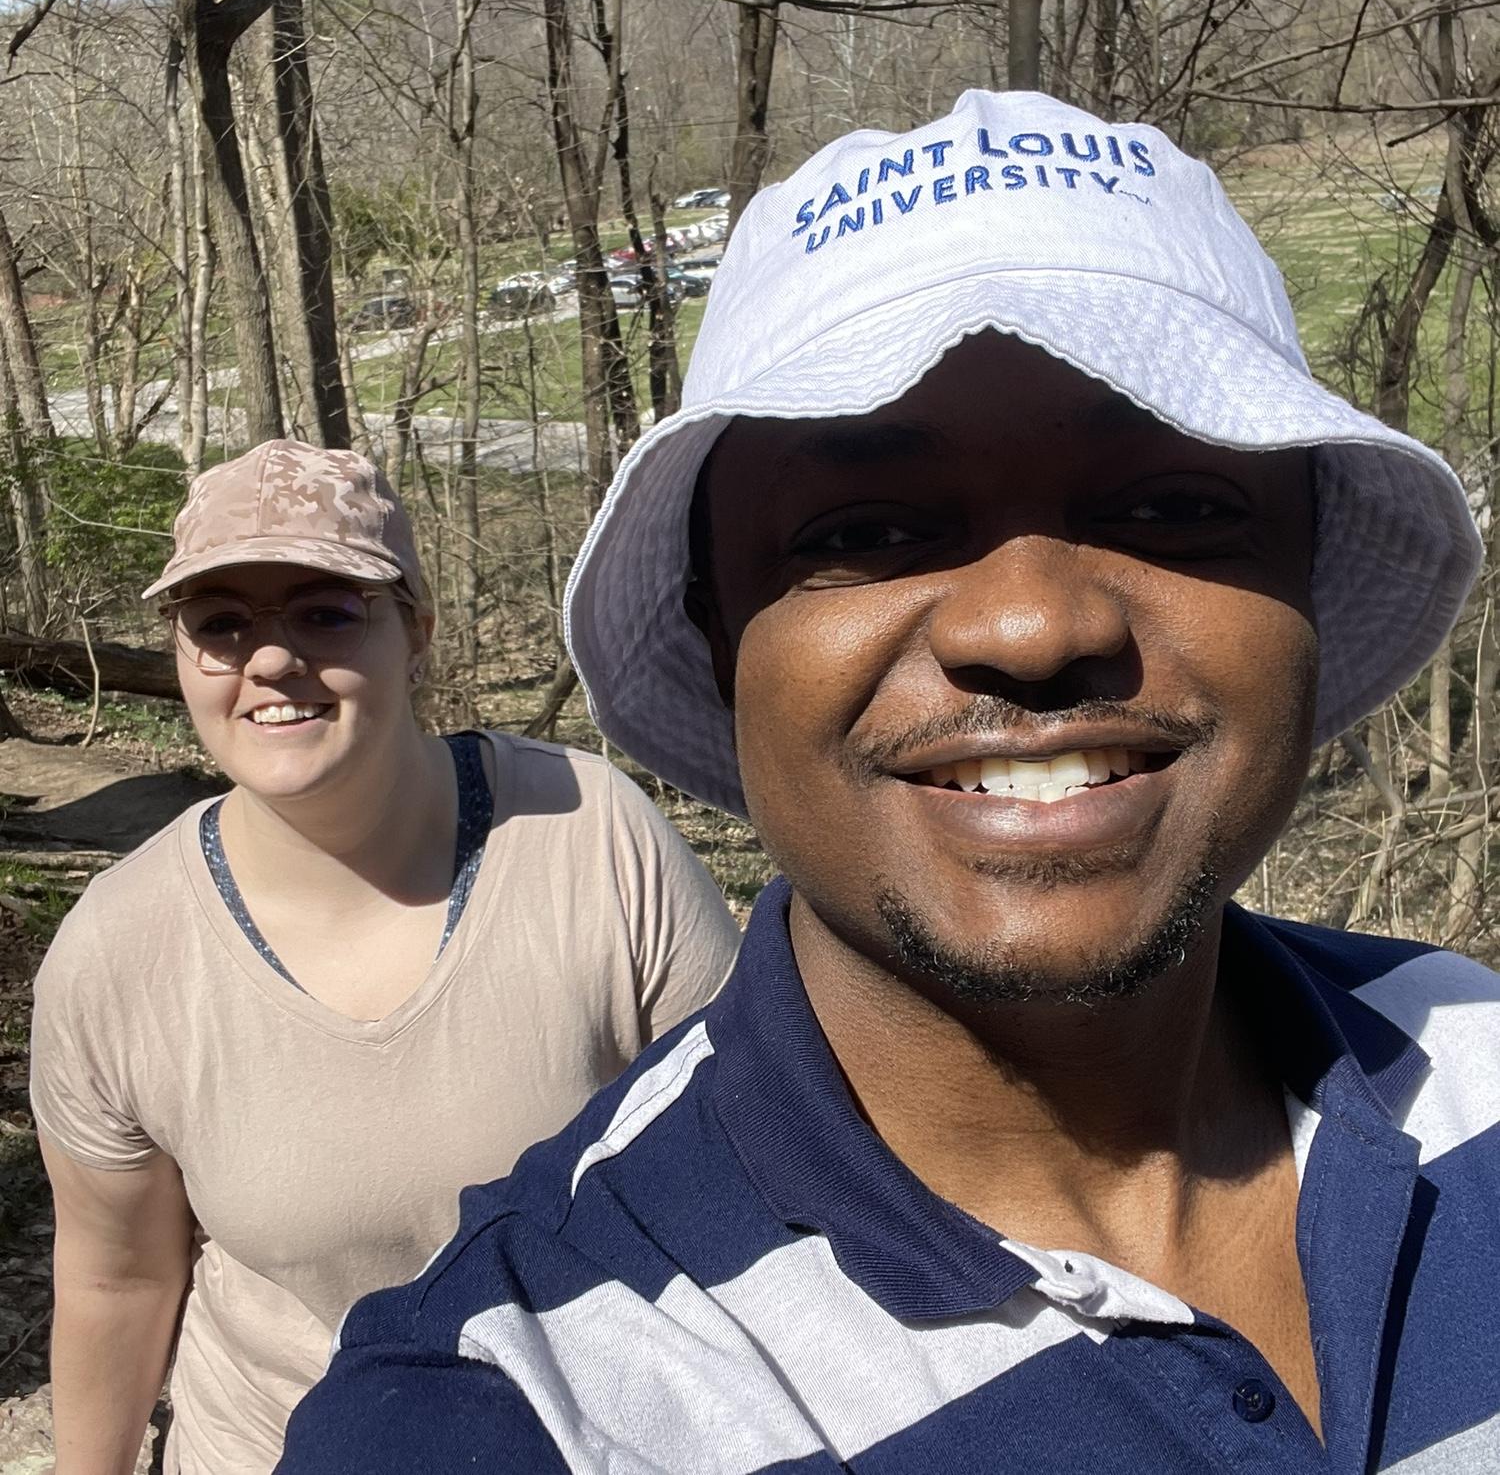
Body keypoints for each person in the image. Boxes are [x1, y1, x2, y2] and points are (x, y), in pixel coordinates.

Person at [278, 91, 1496, 1473]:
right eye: (865, 529)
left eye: (1170, 506)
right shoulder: (523, 1399)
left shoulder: (1478, 1059)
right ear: (721, 637)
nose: (1033, 627)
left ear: (1302, 591)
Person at [28, 439, 741, 1474]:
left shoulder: (590, 836)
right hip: (272, 1448)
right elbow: (117, 1281)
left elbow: (741, 1155)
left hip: (594, 1436)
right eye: (220, 625)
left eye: (325, 610)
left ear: (416, 632)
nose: (269, 660)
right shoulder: (116, 952)